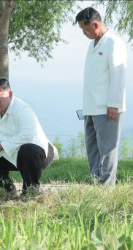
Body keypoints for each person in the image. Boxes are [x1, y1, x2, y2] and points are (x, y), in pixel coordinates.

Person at [0, 78, 58, 196]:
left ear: (10, 94)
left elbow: (28, 135)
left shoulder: (22, 109)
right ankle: (3, 190)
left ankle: (30, 192)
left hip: (39, 152)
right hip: (10, 151)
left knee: (28, 150)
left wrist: (3, 145)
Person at [75, 7, 127, 187]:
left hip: (107, 107)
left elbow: (118, 75)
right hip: (91, 107)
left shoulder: (113, 43)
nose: (84, 34)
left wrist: (114, 104)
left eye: (85, 29)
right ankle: (96, 185)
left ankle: (106, 189)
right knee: (93, 150)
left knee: (107, 150)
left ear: (95, 25)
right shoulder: (93, 44)